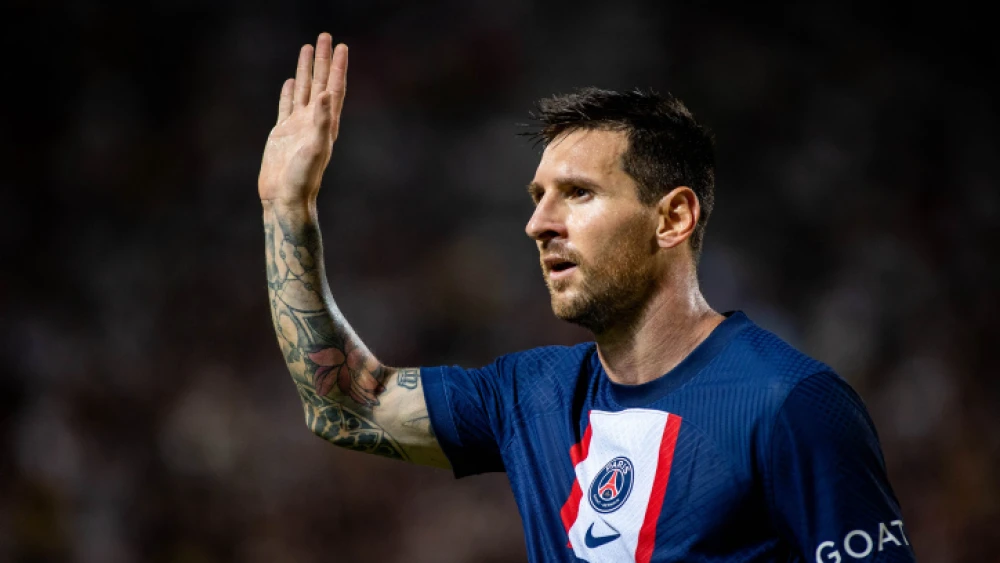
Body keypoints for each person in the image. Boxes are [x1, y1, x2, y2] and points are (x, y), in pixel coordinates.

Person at [258, 32, 917, 563]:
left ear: (673, 218)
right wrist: (288, 208)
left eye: (577, 193)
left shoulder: (792, 404)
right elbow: (347, 404)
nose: (538, 223)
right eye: (537, 197)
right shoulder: (528, 394)